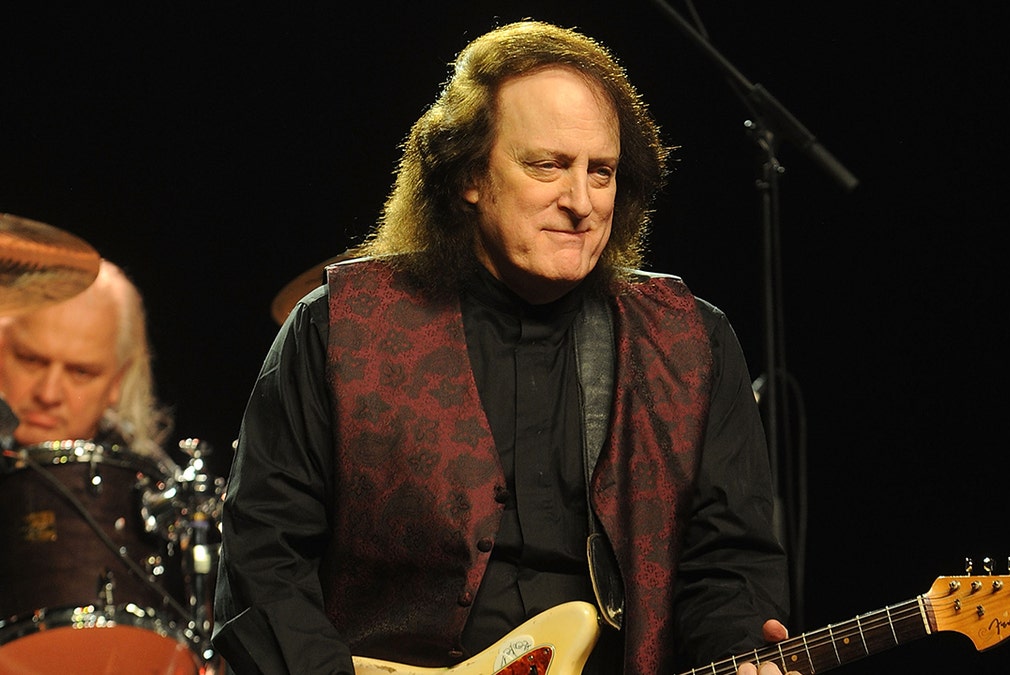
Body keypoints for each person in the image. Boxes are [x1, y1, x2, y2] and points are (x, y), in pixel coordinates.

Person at [213, 20, 793, 675]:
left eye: (600, 172)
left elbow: (728, 565)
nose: (580, 201)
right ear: (469, 174)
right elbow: (263, 559)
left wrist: (740, 645)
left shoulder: (690, 339)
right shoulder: (336, 327)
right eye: (547, 165)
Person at [0, 258, 172, 459]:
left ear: (118, 380)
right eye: (31, 361)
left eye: (80, 372)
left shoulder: (135, 485)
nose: (48, 395)